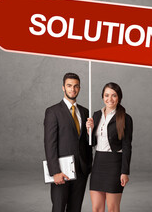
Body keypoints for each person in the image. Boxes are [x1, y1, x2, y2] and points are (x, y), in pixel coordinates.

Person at [44, 72, 92, 212]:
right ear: (63, 88)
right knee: (59, 208)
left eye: (76, 86)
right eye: (69, 86)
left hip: (81, 171)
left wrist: (91, 132)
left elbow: (87, 142)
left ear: (80, 88)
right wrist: (55, 171)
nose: (73, 89)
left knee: (75, 208)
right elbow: (49, 143)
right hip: (62, 171)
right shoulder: (53, 112)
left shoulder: (84, 112)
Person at [86, 82, 133, 212]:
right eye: (107, 95)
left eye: (114, 95)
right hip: (98, 162)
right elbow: (92, 143)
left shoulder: (125, 118)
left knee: (112, 209)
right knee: (96, 208)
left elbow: (127, 146)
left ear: (119, 98)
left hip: (115, 164)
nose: (110, 99)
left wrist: (124, 171)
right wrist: (89, 131)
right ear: (102, 97)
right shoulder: (95, 115)